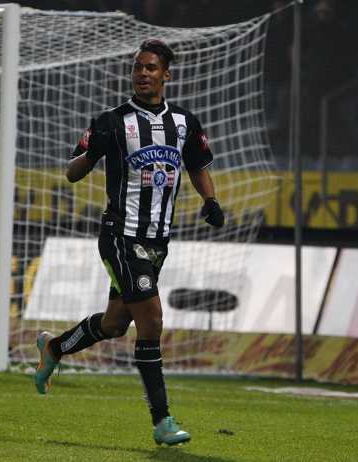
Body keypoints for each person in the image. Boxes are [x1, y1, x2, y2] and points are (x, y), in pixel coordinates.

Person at [34, 39, 224, 446]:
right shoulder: (111, 121)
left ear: (165, 75)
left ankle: (54, 348)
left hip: (158, 243)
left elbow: (197, 164)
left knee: (115, 324)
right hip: (121, 236)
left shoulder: (186, 123)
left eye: (150, 68)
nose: (142, 73)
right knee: (151, 321)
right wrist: (91, 154)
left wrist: (211, 200)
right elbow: (72, 172)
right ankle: (162, 421)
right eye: (137, 67)